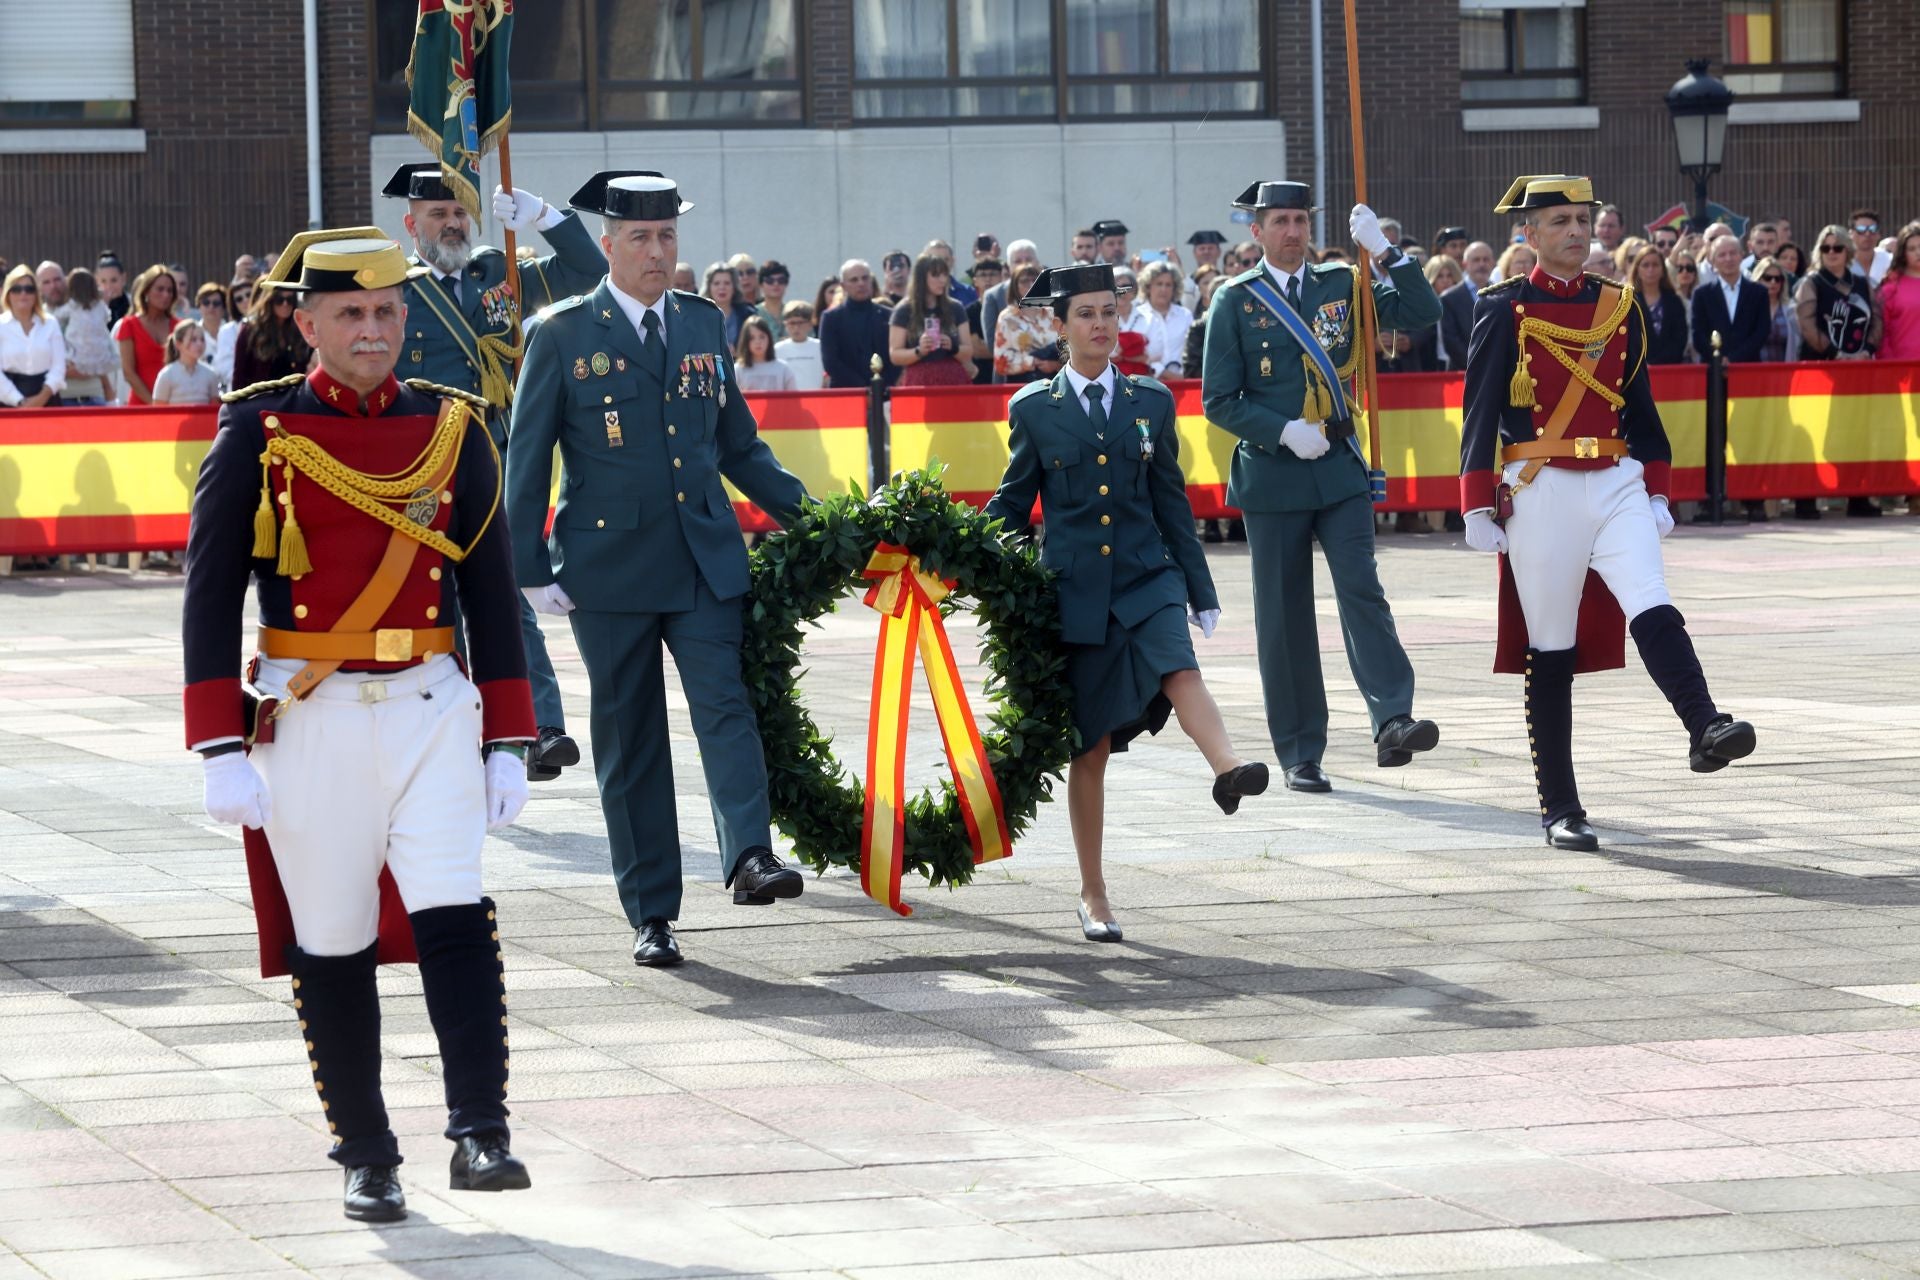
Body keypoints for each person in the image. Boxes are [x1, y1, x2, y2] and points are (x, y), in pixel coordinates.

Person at [181, 228, 536, 1223]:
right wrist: (215, 743)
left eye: (387, 311)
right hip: (310, 710)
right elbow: (208, 595)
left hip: (430, 701)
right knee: (331, 936)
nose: (373, 328)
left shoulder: (453, 429)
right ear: (307, 324)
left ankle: (480, 1130)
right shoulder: (257, 432)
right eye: (351, 313)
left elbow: (491, 589)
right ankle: (367, 1151)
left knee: (453, 911)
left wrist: (509, 732)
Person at [506, 171, 813, 968]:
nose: (655, 251)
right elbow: (528, 458)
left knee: (726, 706)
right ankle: (652, 911)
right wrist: (529, 566)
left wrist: (818, 523)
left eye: (667, 236)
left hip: (703, 559)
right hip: (608, 572)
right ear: (606, 245)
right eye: (639, 238)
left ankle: (749, 856)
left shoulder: (703, 324)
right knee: (631, 738)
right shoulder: (564, 332)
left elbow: (739, 446)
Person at [1458, 175, 1755, 851]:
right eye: (1559, 220)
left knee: (1652, 598)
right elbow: (1479, 408)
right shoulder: (1502, 306)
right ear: (1528, 234)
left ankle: (1705, 725)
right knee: (1552, 645)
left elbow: (1641, 408)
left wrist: (1654, 486)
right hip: (1539, 483)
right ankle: (1560, 807)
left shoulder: (1618, 305)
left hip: (1615, 475)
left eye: (1583, 218)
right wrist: (1477, 500)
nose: (1575, 230)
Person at [985, 264, 1267, 941]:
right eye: (1085, 314)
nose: (1101, 325)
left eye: (1110, 312)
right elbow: (1013, 505)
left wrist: (1198, 588)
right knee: (1092, 749)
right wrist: (954, 551)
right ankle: (1093, 891)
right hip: (1077, 595)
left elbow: (1171, 500)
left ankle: (1229, 767)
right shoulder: (1032, 409)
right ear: (1059, 326)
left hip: (1147, 576)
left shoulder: (1152, 401)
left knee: (1179, 666)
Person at [1201, 180, 1442, 793]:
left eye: (1300, 220)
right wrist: (1281, 430)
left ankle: (1393, 717)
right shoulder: (1236, 300)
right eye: (1279, 221)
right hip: (1274, 474)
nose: (1292, 231)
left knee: (1363, 590)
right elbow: (1218, 400)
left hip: (1337, 468)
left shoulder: (1343, 284)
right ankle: (1300, 749)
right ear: (1255, 231)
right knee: (1284, 617)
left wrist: (1386, 253)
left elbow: (1422, 314)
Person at [382, 163, 603, 782]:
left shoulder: (499, 274)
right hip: (421, 463)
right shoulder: (395, 287)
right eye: (438, 215)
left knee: (506, 592)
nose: (452, 224)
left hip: (494, 455)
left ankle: (542, 728)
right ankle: (459, 729)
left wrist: (544, 218)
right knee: (436, 598)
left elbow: (587, 272)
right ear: (412, 225)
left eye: (459, 213)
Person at [888, 252, 974, 387]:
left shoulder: (956, 308)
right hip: (919, 380)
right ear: (921, 278)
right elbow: (895, 355)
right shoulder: (904, 310)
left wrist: (953, 348)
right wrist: (919, 351)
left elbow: (968, 351)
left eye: (945, 274)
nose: (943, 280)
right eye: (936, 275)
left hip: (953, 378)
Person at [1691, 235, 1769, 364]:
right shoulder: (1701, 294)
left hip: (1748, 368)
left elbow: (1761, 332)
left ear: (1741, 255)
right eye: (1722, 255)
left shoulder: (1759, 292)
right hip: (1713, 370)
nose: (1728, 259)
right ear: (1713, 260)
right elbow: (1698, 334)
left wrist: (1733, 359)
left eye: (1733, 253)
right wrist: (1718, 360)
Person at [819, 259, 895, 389]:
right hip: (847, 394)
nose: (861, 283)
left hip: (885, 393)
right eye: (854, 280)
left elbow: (895, 357)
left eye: (865, 278)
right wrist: (863, 388)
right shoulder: (831, 318)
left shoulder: (888, 315)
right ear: (843, 286)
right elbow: (830, 362)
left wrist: (880, 386)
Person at [0, 264, 65, 408]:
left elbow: (59, 367)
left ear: (36, 294)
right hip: (7, 401)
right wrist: (19, 401)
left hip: (48, 398)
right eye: (17, 289)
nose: (23, 294)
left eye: (29, 289)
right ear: (8, 294)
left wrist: (42, 397)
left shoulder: (50, 323)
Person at [114, 265, 180, 404]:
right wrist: (154, 405)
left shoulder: (179, 327)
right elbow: (129, 373)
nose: (166, 295)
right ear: (146, 292)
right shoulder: (129, 325)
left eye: (170, 291)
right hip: (141, 406)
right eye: (160, 289)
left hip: (175, 403)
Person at [993, 261, 1062, 385]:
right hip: (1021, 383)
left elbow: (1070, 345)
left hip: (1056, 380)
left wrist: (1056, 365)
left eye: (1034, 280)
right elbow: (1000, 362)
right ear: (1015, 286)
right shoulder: (1007, 318)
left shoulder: (1054, 313)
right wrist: (1032, 361)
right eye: (1024, 281)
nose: (1030, 285)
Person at [54, 269, 116, 406]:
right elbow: (107, 316)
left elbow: (56, 317)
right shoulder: (100, 306)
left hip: (76, 359)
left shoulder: (72, 306)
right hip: (99, 360)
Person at [230, 285, 310, 390]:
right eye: (279, 300)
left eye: (290, 300)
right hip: (260, 399)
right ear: (269, 301)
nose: (285, 304)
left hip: (292, 399)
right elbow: (239, 375)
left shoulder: (300, 330)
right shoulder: (251, 330)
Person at [1623, 244, 1690, 367]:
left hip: (1670, 369)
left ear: (1663, 270)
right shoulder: (1628, 301)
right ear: (1637, 270)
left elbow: (1680, 338)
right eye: (1645, 265)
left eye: (1655, 265)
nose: (1650, 270)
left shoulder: (1674, 301)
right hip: (1637, 370)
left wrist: (1658, 363)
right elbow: (1628, 340)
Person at [980, 239, 1041, 374]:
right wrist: (1034, 359)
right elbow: (992, 343)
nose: (1024, 264)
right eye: (1017, 261)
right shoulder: (993, 296)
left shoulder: (1052, 295)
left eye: (1029, 259)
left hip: (1050, 378)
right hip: (1010, 378)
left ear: (1037, 263)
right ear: (1008, 266)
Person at [1124, 260, 1192, 378]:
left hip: (1183, 383)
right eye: (1159, 284)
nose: (1163, 289)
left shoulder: (1185, 315)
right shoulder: (1136, 316)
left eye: (1168, 285)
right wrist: (1160, 370)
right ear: (1148, 287)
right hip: (1148, 383)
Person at [1439, 242, 1496, 369]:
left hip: (1497, 371)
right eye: (1476, 260)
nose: (1482, 264)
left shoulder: (1502, 294)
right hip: (1463, 373)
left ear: (1493, 263)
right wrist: (1478, 366)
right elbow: (1451, 341)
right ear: (1465, 264)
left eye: (1486, 259)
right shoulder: (1449, 298)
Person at [1877, 221, 1920, 362]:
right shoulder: (1890, 288)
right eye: (1912, 249)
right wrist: (1890, 364)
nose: (1918, 253)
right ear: (1903, 253)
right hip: (1902, 369)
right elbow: (1881, 333)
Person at [151, 319, 222, 404]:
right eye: (193, 340)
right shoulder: (167, 375)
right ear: (178, 344)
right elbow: (159, 410)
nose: (199, 344)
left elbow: (214, 408)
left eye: (202, 339)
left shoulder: (210, 374)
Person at [1750, 256, 1800, 364]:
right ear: (1758, 279)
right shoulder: (1747, 308)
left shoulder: (1791, 309)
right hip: (1754, 372)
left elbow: (1797, 345)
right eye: (1768, 278)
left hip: (1784, 372)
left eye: (1778, 279)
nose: (1773, 282)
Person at [732, 313, 797, 392]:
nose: (758, 342)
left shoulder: (784, 369)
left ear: (769, 338)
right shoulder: (737, 370)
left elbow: (793, 400)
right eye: (752, 338)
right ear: (745, 341)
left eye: (762, 337)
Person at [965, 258, 1003, 382]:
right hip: (980, 377)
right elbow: (976, 350)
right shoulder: (969, 311)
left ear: (1002, 277)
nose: (988, 279)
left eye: (992, 274)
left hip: (1006, 376)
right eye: (982, 275)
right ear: (975, 280)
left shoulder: (1009, 308)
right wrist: (1008, 351)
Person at [775, 300, 826, 388]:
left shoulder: (820, 346)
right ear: (785, 325)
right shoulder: (777, 349)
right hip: (789, 399)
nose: (796, 328)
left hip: (816, 398)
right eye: (792, 323)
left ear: (810, 324)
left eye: (800, 323)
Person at [701, 262, 751, 349]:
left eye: (727, 283)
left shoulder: (747, 315)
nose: (722, 287)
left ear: (734, 287)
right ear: (709, 287)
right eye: (716, 283)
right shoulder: (698, 317)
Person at [194, 283, 232, 385]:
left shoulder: (233, 332)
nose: (211, 307)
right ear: (199, 306)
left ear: (224, 308)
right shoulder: (191, 335)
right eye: (206, 303)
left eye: (216, 303)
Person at [1182, 230, 1227, 309]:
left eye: (1210, 248)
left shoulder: (1226, 280)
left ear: (1219, 252)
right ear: (1194, 253)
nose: (1206, 252)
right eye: (1202, 249)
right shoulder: (1187, 282)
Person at [1849, 209, 1891, 284]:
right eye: (1861, 229)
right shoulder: (1842, 262)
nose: (1867, 234)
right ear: (1851, 234)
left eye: (1873, 229)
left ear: (1879, 234)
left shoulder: (1889, 260)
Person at [756, 259, 790, 328]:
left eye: (781, 280)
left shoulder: (793, 314)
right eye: (769, 281)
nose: (776, 284)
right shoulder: (752, 314)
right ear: (761, 285)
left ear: (786, 284)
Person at [97, 252, 129, 325]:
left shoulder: (134, 304)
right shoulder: (91, 309)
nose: (109, 286)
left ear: (123, 278)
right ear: (97, 281)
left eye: (114, 280)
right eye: (103, 281)